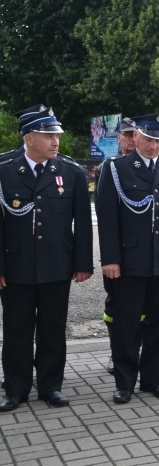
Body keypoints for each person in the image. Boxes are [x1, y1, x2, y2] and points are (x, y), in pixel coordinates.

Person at [96, 113, 159, 404]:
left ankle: (153, 380)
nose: (154, 146)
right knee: (126, 324)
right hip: (130, 260)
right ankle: (124, 382)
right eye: (149, 139)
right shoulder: (116, 169)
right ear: (135, 136)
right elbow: (108, 219)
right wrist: (110, 259)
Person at [0, 106, 93, 412]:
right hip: (16, 266)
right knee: (17, 330)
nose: (56, 141)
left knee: (53, 329)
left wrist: (82, 263)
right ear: (29, 137)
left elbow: (81, 220)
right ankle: (16, 388)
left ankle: (50, 386)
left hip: (56, 264)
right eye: (49, 135)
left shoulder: (70, 172)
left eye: (57, 135)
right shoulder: (4, 168)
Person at [100, 117, 137, 375]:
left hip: (142, 254)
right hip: (119, 254)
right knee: (116, 306)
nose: (133, 140)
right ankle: (117, 352)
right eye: (128, 135)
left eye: (137, 134)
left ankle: (137, 351)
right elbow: (106, 218)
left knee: (142, 309)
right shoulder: (109, 168)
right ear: (120, 138)